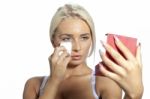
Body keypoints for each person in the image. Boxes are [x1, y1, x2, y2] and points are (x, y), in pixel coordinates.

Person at [23, 4, 143, 99]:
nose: (77, 47)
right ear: (53, 41)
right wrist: (54, 80)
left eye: (84, 37)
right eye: (67, 38)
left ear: (91, 39)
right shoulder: (34, 85)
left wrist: (134, 96)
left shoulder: (104, 84)